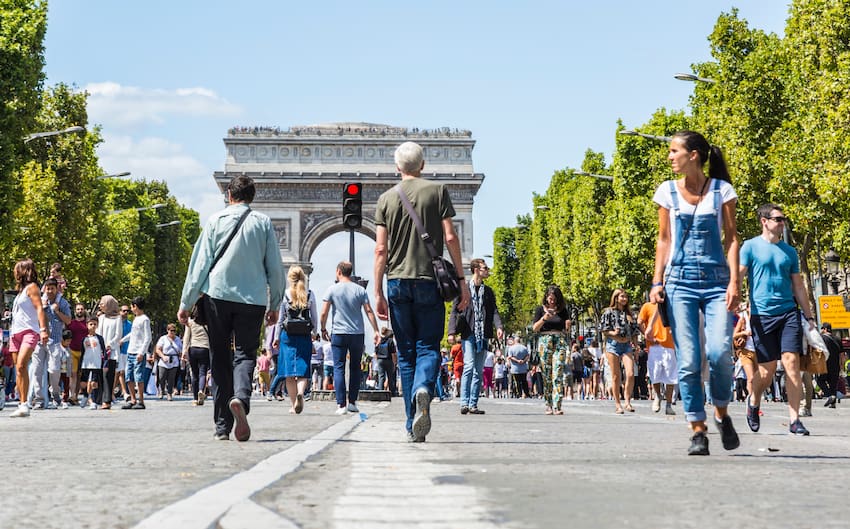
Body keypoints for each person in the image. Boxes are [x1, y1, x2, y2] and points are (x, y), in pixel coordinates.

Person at [650, 130, 740, 456]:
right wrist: (656, 281)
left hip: (717, 282)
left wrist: (734, 283)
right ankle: (697, 428)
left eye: (675, 151)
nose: (670, 157)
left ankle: (721, 412)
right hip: (679, 282)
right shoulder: (666, 193)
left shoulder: (722, 191)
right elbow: (663, 240)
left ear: (694, 155)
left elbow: (731, 239)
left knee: (719, 354)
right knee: (688, 360)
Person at [373, 141, 470, 442]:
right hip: (430, 280)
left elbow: (380, 250)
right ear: (423, 165)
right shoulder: (438, 191)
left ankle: (409, 421)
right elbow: (451, 237)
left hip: (397, 283)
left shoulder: (386, 199)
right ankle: (424, 388)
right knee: (428, 347)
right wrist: (461, 278)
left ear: (397, 168)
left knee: (406, 355)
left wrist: (376, 291)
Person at [178, 175, 285, 442]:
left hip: (218, 297)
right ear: (253, 196)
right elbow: (276, 268)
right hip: (252, 300)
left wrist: (186, 302)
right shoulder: (263, 223)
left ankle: (222, 426)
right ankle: (241, 398)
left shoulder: (215, 221)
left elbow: (199, 266)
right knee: (246, 353)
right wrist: (275, 304)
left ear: (229, 195)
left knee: (219, 358)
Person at [740, 203, 817, 436]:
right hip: (762, 316)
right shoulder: (750, 247)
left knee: (792, 364)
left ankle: (795, 420)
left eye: (783, 219)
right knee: (767, 371)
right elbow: (739, 276)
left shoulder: (790, 252)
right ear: (764, 221)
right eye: (778, 219)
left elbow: (798, 286)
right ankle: (753, 401)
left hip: (788, 313)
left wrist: (809, 316)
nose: (782, 222)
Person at [320, 261, 380, 415]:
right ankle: (352, 402)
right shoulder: (360, 290)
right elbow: (369, 311)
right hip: (357, 333)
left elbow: (324, 313)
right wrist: (376, 330)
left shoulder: (332, 289)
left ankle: (341, 404)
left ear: (338, 271)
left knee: (338, 368)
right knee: (355, 369)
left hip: (338, 333)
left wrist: (322, 328)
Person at [448, 258, 503, 415]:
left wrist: (499, 327)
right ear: (476, 270)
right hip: (468, 333)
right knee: (469, 366)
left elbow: (494, 311)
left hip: (483, 334)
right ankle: (464, 403)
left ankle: (473, 404)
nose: (488, 271)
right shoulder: (463, 289)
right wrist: (451, 332)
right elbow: (454, 311)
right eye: (485, 268)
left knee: (478, 370)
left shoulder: (488, 291)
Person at [273, 265, 320, 415]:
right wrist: (314, 334)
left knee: (288, 373)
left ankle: (294, 404)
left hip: (287, 336)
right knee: (303, 369)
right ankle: (301, 392)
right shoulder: (310, 294)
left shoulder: (285, 295)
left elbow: (280, 320)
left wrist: (276, 338)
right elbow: (314, 318)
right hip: (304, 336)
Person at [8, 260, 50, 417]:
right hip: (15, 333)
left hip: (29, 331)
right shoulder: (20, 292)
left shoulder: (32, 288)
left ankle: (25, 404)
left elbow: (40, 308)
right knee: (19, 370)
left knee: (21, 365)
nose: (14, 273)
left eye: (16, 270)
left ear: (23, 271)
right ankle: (22, 403)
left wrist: (43, 329)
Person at [531, 285, 571, 415]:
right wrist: (544, 318)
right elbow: (535, 328)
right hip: (545, 340)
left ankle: (558, 405)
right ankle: (548, 403)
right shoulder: (540, 310)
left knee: (558, 371)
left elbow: (567, 328)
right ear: (546, 298)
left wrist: (568, 326)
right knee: (547, 374)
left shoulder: (563, 310)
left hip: (559, 340)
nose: (552, 301)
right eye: (550, 299)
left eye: (554, 299)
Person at [637, 301, 677, 415]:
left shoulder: (671, 304)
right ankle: (658, 396)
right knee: (654, 374)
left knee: (671, 376)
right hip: (654, 345)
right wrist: (647, 334)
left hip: (669, 344)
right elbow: (639, 322)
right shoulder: (647, 306)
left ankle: (669, 404)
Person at [600, 288, 637, 413]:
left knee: (630, 373)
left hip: (626, 344)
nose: (624, 299)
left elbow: (635, 332)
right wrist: (613, 332)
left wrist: (636, 347)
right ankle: (617, 404)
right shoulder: (608, 312)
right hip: (613, 345)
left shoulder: (629, 314)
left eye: (626, 297)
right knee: (616, 376)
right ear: (616, 298)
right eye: (622, 296)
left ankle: (627, 401)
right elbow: (603, 329)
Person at [41, 278, 71, 409]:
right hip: (41, 340)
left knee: (54, 370)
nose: (50, 291)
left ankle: (55, 393)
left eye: (52, 288)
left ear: (56, 289)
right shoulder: (41, 302)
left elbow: (69, 321)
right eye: (47, 288)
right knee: (38, 371)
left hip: (55, 341)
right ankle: (39, 398)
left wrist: (57, 311)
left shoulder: (62, 303)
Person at [121, 297, 151, 409]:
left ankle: (141, 401)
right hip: (130, 351)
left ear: (135, 306)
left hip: (138, 352)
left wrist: (142, 353)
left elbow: (148, 337)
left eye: (132, 306)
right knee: (129, 377)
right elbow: (133, 334)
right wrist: (122, 340)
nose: (131, 309)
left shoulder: (144, 319)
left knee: (138, 377)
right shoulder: (135, 319)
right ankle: (133, 399)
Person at [97, 295, 123, 410]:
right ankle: (99, 398)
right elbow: (98, 332)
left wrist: (110, 344)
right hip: (100, 351)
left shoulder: (118, 319)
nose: (100, 305)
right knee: (100, 375)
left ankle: (107, 400)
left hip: (111, 352)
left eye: (103, 303)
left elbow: (118, 335)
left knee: (108, 376)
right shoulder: (101, 318)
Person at [181, 309, 211, 406]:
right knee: (203, 372)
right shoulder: (208, 322)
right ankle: (201, 390)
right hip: (205, 348)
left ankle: (195, 399)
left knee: (194, 374)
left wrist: (184, 351)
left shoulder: (190, 322)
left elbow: (186, 337)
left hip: (193, 348)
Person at [732, 303, 758, 402]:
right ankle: (752, 402)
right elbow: (734, 335)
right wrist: (744, 333)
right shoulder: (743, 319)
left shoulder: (760, 318)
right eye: (751, 307)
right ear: (747, 308)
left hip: (758, 352)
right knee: (750, 378)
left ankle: (755, 399)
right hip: (746, 352)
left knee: (758, 379)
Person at [80, 317, 107, 410]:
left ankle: (93, 401)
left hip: (96, 364)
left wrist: (105, 363)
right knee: (83, 383)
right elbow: (82, 352)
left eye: (95, 324)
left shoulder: (99, 338)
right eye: (91, 324)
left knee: (94, 383)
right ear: (87, 325)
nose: (93, 326)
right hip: (86, 363)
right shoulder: (84, 338)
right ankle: (85, 396)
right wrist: (80, 364)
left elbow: (103, 351)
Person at [817, 322, 844, 409]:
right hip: (835, 365)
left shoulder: (822, 338)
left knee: (820, 381)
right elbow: (842, 355)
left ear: (824, 329)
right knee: (833, 384)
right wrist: (841, 366)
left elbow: (818, 352)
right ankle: (833, 403)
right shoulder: (837, 339)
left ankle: (829, 396)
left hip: (825, 364)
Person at [67, 303, 89, 405]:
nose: (79, 311)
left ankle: (76, 395)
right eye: (78, 309)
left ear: (84, 310)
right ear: (75, 311)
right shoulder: (71, 323)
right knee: (73, 374)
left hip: (84, 352)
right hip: (72, 350)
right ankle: (72, 395)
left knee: (80, 375)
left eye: (81, 309)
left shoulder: (88, 323)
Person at [155, 324, 182, 400]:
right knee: (162, 377)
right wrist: (163, 356)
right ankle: (161, 390)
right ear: (168, 330)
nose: (173, 332)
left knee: (171, 378)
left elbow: (180, 349)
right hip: (164, 360)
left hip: (174, 360)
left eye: (174, 331)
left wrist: (181, 355)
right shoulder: (163, 338)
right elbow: (158, 349)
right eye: (171, 331)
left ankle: (169, 393)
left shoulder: (178, 339)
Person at [374, 327, 398, 396]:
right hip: (388, 360)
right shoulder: (390, 341)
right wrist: (394, 363)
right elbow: (393, 353)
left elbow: (375, 351)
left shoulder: (379, 340)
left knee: (381, 376)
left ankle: (380, 392)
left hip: (380, 360)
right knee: (390, 377)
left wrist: (377, 360)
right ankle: (392, 393)